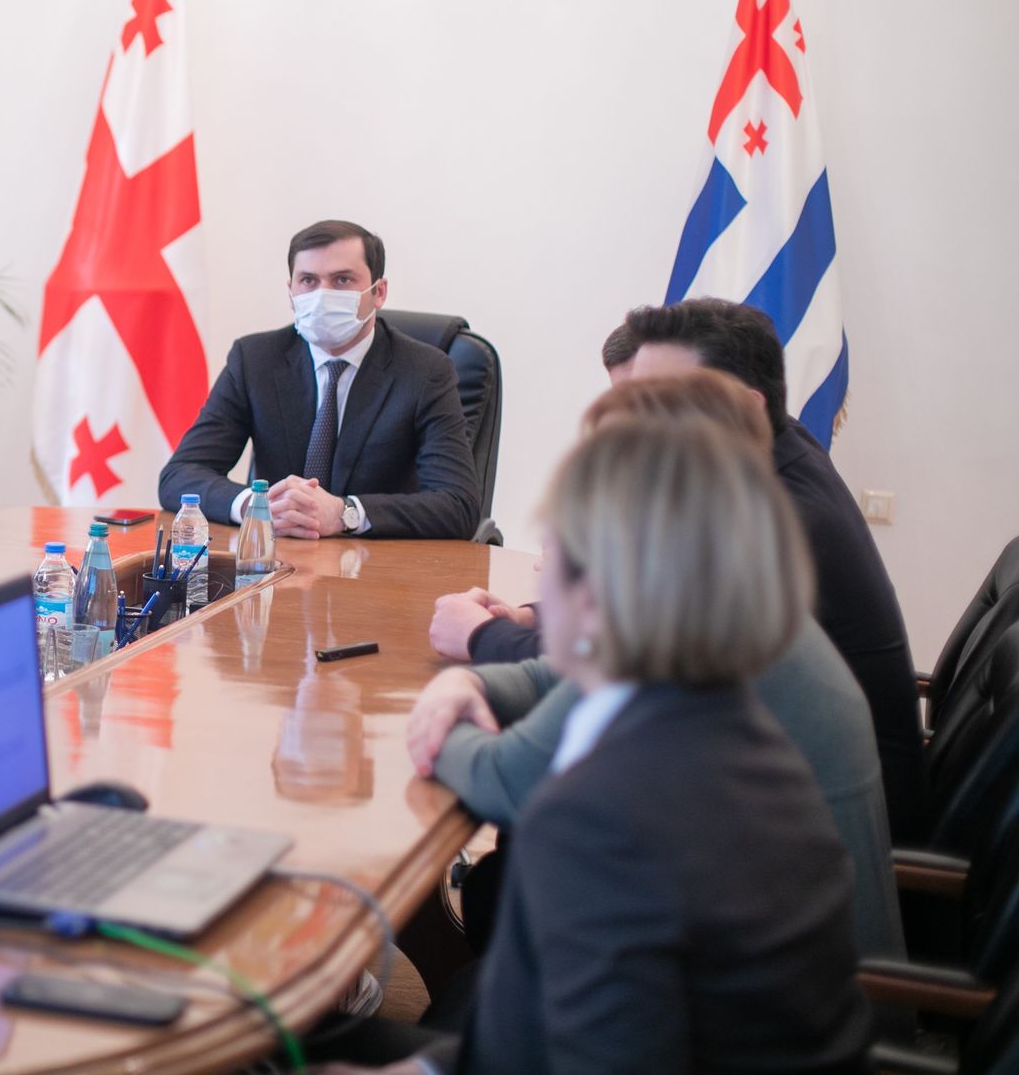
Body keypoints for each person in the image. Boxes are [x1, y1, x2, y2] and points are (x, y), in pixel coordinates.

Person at [325, 418, 870, 1073]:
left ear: (594, 595)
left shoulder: (598, 811)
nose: (536, 571)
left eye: (549, 552)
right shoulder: (734, 722)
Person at [409, 370, 903, 961]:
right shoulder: (729, 590)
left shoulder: (692, 639)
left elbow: (504, 781)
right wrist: (469, 681)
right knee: (510, 882)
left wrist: (439, 717)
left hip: (772, 989)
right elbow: (558, 678)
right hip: (765, 947)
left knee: (518, 880)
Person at [430, 297, 928, 838]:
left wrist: (475, 649)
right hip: (758, 813)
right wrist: (518, 633)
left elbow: (514, 773)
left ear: (743, 410)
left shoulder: (764, 539)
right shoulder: (769, 463)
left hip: (799, 843)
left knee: (542, 839)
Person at [159, 220, 479, 540]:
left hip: (375, 560)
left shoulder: (425, 371)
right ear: (291, 292)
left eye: (342, 280)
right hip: (279, 558)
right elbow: (179, 475)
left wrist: (345, 513)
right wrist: (256, 507)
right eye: (308, 280)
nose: (322, 294)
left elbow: (458, 504)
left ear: (378, 292)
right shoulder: (254, 360)